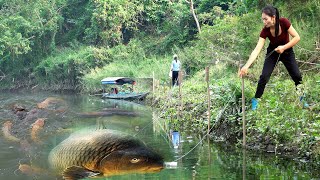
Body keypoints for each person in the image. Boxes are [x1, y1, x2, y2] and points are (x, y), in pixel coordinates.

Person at [238, 5, 308, 110]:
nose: (264, 22)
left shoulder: (284, 22)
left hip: (287, 51)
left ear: (273, 17)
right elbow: (257, 49)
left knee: (297, 75)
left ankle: (303, 99)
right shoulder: (265, 31)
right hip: (273, 53)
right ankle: (256, 100)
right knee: (264, 76)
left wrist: (284, 47)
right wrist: (246, 66)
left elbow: (297, 37)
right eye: (263, 19)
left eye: (265, 19)